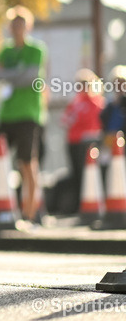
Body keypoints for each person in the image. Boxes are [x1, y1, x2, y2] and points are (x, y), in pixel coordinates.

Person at [0, 5, 47, 229]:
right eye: (13, 25)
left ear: (27, 27)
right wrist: (16, 75)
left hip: (27, 114)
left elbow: (29, 77)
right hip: (7, 114)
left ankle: (30, 213)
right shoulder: (5, 51)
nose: (17, 29)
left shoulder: (36, 49)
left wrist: (8, 76)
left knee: (26, 163)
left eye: (20, 25)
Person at [61, 69, 104, 213]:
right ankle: (78, 204)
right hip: (73, 142)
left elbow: (95, 123)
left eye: (85, 84)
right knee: (76, 175)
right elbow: (65, 120)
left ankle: (91, 204)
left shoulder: (97, 103)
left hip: (88, 144)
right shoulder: (75, 103)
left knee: (89, 174)